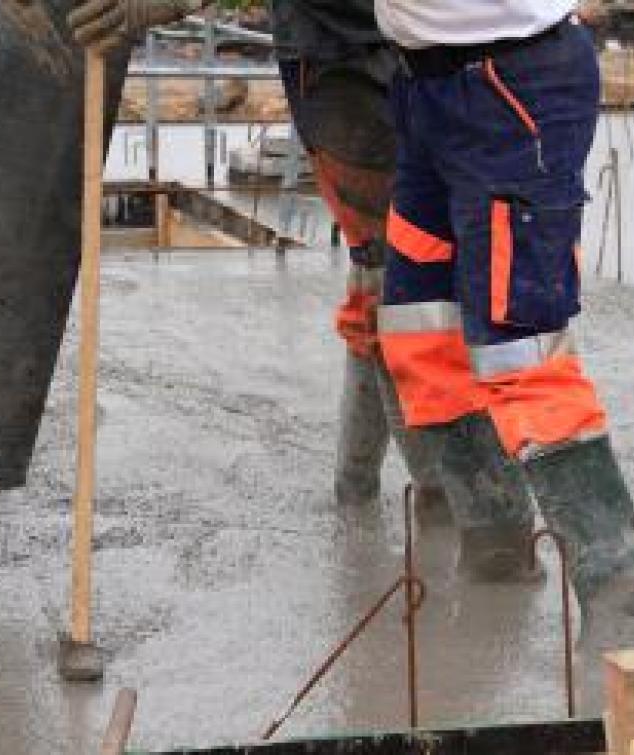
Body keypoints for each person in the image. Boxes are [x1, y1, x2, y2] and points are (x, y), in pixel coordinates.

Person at [68, 0, 544, 583]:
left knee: (412, 280)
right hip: (341, 60)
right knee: (397, 281)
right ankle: (451, 501)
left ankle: (384, 488)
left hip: (441, 43)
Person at [370, 0, 634, 707]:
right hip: (427, 91)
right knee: (423, 330)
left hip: (510, 86)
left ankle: (622, 597)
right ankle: (496, 541)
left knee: (521, 348)